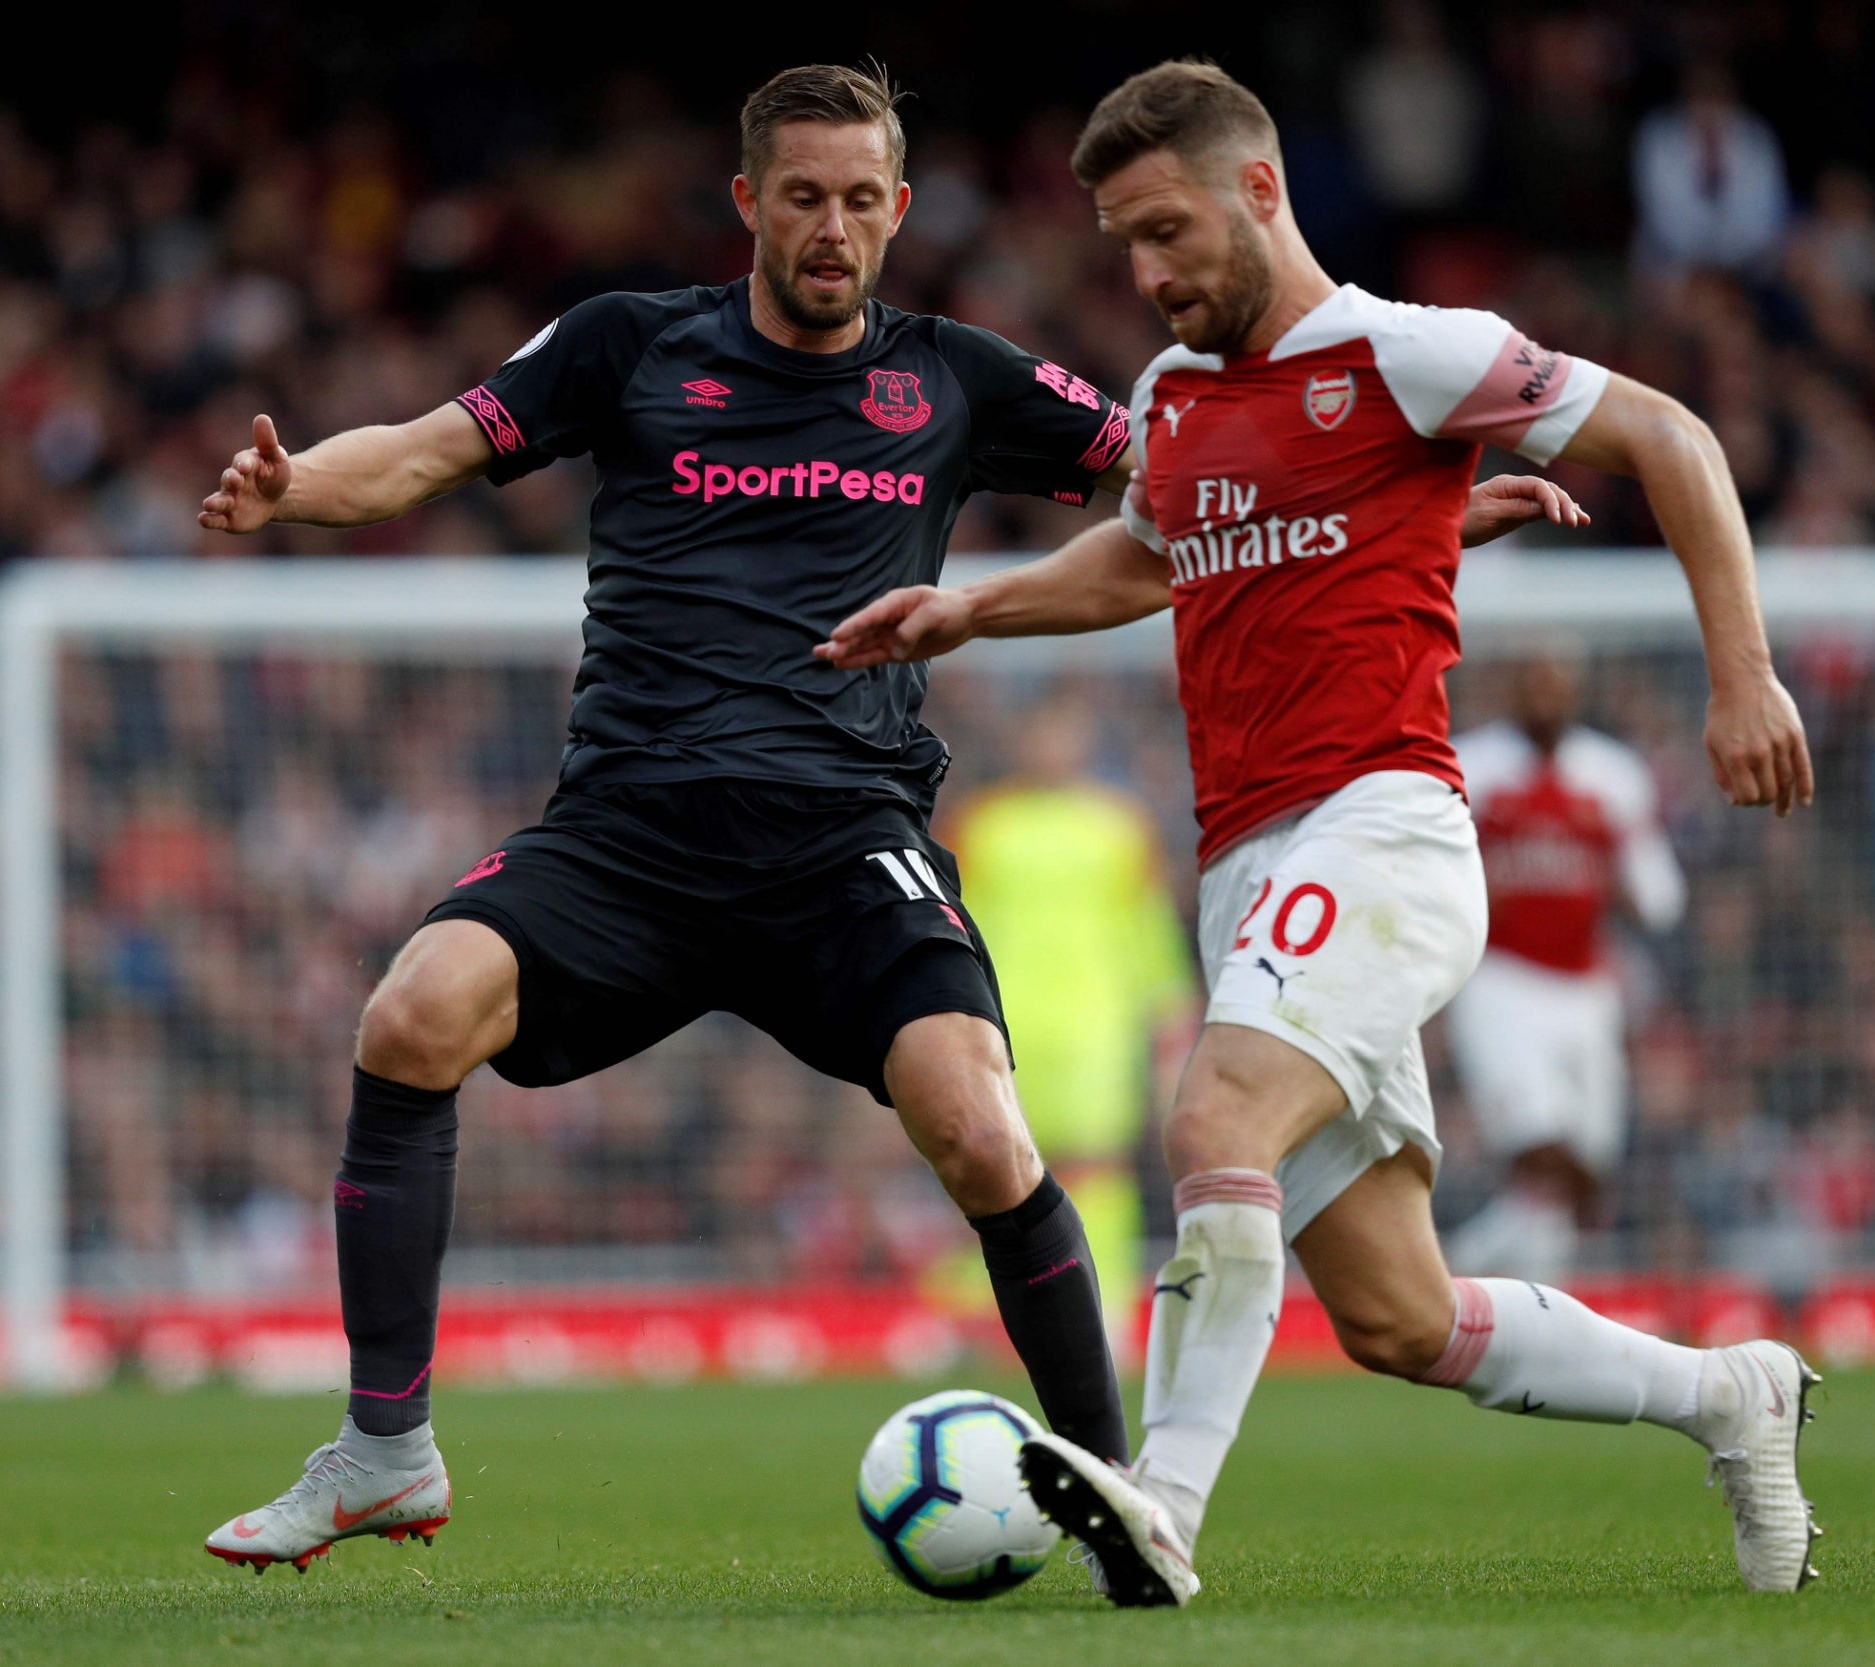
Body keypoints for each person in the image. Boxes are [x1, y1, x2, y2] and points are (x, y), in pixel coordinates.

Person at [819, 60, 1822, 1606]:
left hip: (1383, 830)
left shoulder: (1413, 352)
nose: (1147, 276)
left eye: (1166, 231)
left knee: (1213, 1122)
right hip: (1247, 868)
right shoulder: (1172, 397)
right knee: (1398, 1316)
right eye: (1122, 246)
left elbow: (1676, 437)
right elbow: (1147, 558)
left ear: (1261, 192)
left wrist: (1742, 676)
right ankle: (1731, 1396)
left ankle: (1161, 1506)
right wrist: (969, 608)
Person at [187, 61, 1157, 1575]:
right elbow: (431, 446)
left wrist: (1388, 501)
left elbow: (1175, 472)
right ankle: (385, 1451)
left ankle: (1117, 1489)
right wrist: (294, 482)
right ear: (749, 204)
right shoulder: (631, 345)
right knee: (412, 1010)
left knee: (977, 1122)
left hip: (845, 835)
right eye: (802, 198)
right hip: (630, 828)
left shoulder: (954, 375)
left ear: (897, 211)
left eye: (858, 202)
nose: (831, 229)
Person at [946, 693, 1197, 1338]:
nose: (1053, 746)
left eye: (1066, 729)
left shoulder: (1119, 825)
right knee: (995, 1158)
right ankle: (990, 1308)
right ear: (1019, 739)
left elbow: (1149, 928)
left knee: (1098, 1164)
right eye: (1041, 729)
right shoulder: (982, 824)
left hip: (1097, 1026)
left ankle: (1104, 1301)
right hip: (1001, 1021)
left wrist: (1168, 1010)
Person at [1444, 652, 1687, 1282]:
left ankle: (1476, 1276)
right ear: (1511, 689)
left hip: (1586, 989)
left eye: (1558, 687)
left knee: (1588, 1167)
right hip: (1500, 981)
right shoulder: (1472, 768)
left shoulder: (1611, 777)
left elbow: (1660, 895)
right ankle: (1487, 1293)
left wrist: (1614, 885)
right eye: (1535, 684)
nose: (1547, 700)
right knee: (1539, 1146)